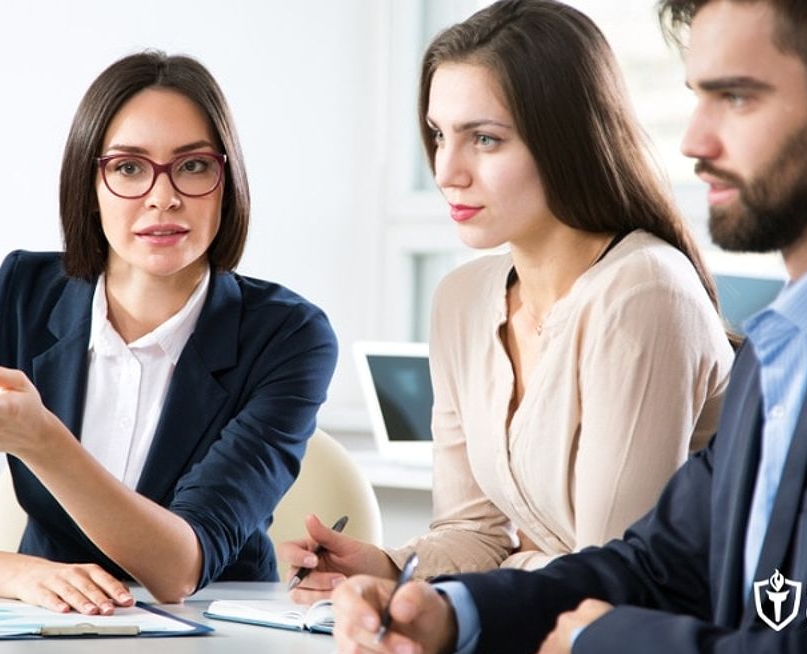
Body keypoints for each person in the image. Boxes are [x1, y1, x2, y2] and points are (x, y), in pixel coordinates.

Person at [331, 0, 807, 654]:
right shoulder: (786, 340)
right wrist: (454, 611)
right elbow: (665, 561)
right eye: (697, 98)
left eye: (736, 98)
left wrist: (603, 642)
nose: (693, 141)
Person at [281, 0, 733, 601]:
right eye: (440, 135)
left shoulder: (642, 291)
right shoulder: (462, 301)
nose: (447, 170)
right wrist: (385, 568)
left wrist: (514, 568)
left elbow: (613, 576)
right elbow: (474, 531)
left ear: (567, 141)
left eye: (485, 140)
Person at [0, 51, 338, 611]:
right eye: (129, 168)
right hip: (44, 628)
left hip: (218, 632)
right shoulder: (17, 294)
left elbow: (180, 570)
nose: (164, 196)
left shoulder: (290, 335)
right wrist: (13, 575)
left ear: (226, 183)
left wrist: (44, 444)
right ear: (90, 186)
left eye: (193, 166)